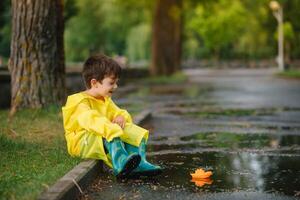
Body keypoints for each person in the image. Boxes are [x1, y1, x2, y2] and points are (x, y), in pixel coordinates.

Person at [62, 54, 162, 178]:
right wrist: (111, 128)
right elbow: (91, 120)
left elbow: (118, 112)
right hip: (81, 142)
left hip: (99, 135)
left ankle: (140, 163)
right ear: (95, 83)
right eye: (111, 83)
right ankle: (120, 163)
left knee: (131, 130)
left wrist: (121, 117)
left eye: (116, 83)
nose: (115, 86)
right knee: (110, 131)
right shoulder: (79, 101)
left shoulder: (104, 99)